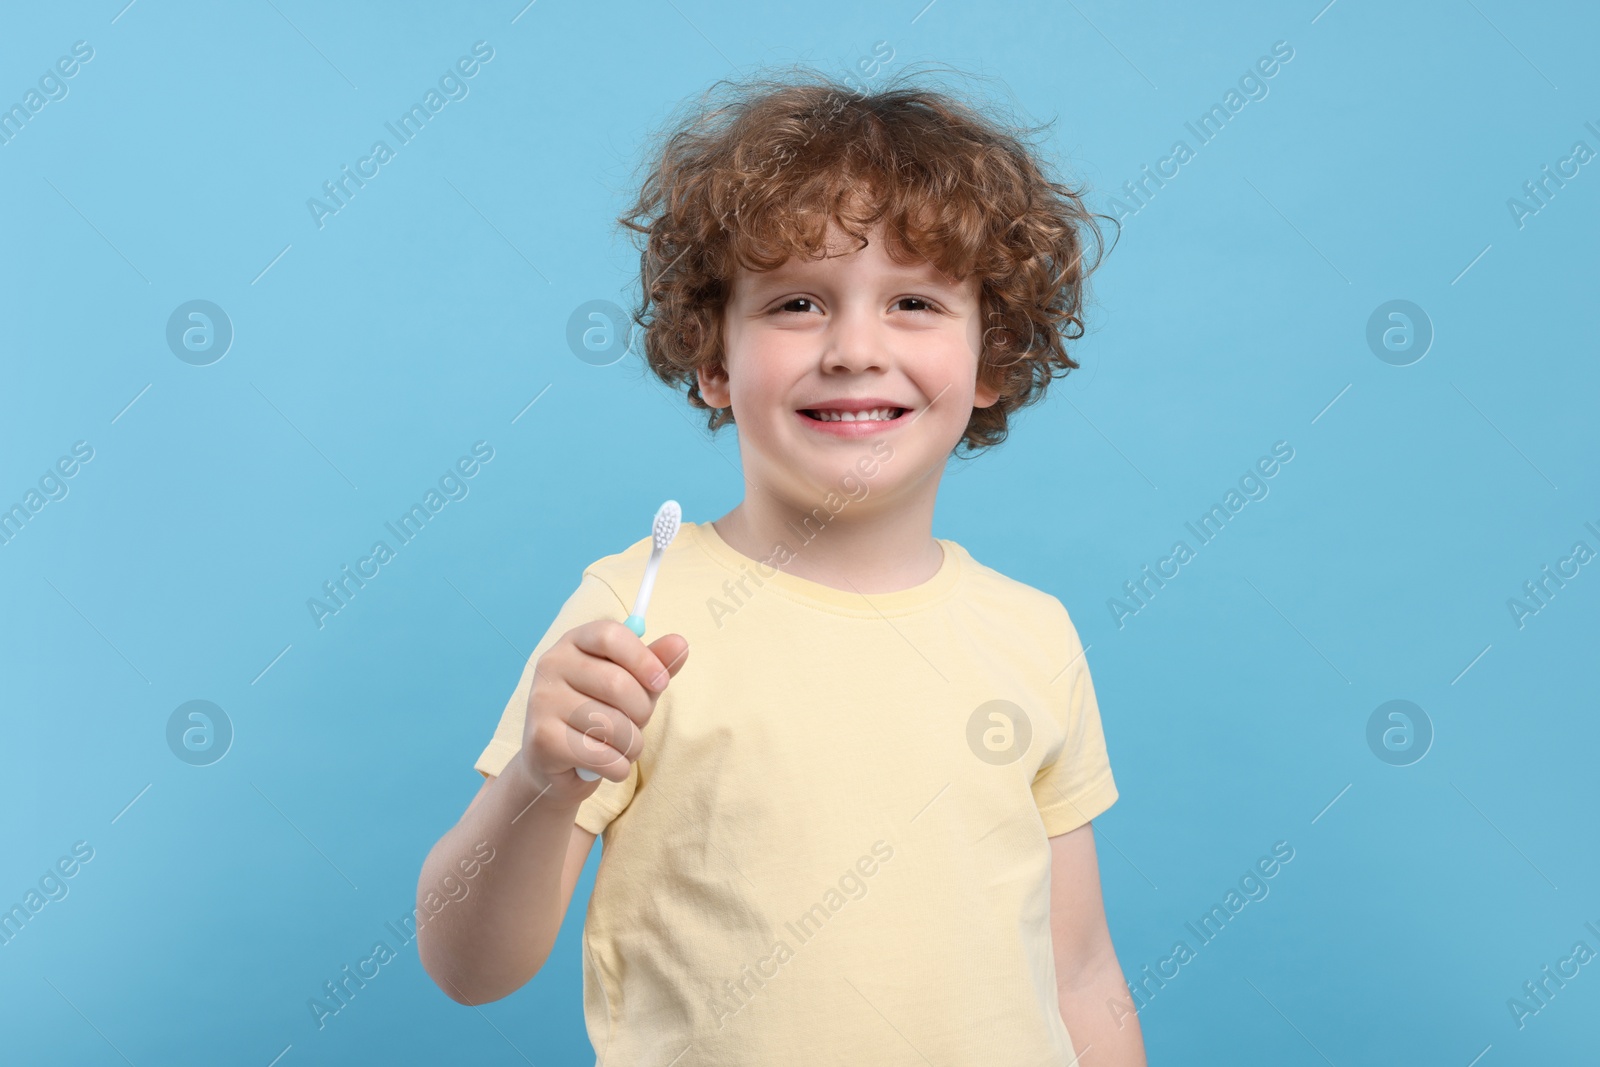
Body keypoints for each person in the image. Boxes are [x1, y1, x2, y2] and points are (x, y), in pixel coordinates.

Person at [417, 65, 1144, 1065]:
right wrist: (542, 777)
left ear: (990, 358)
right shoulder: (633, 619)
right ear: (713, 357)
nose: (853, 347)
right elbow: (467, 965)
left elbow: (1080, 972)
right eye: (798, 302)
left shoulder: (1033, 633)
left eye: (914, 304)